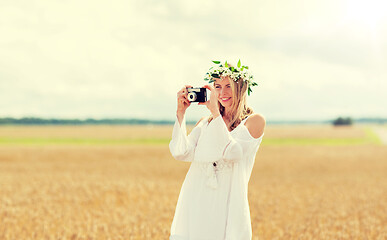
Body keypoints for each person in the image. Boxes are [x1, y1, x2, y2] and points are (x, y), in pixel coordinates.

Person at [169, 60, 266, 240]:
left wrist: (215, 112)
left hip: (227, 201)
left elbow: (233, 153)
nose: (222, 93)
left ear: (242, 88)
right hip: (196, 196)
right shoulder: (205, 123)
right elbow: (181, 152)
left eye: (229, 86)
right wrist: (180, 114)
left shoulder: (254, 121)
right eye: (218, 86)